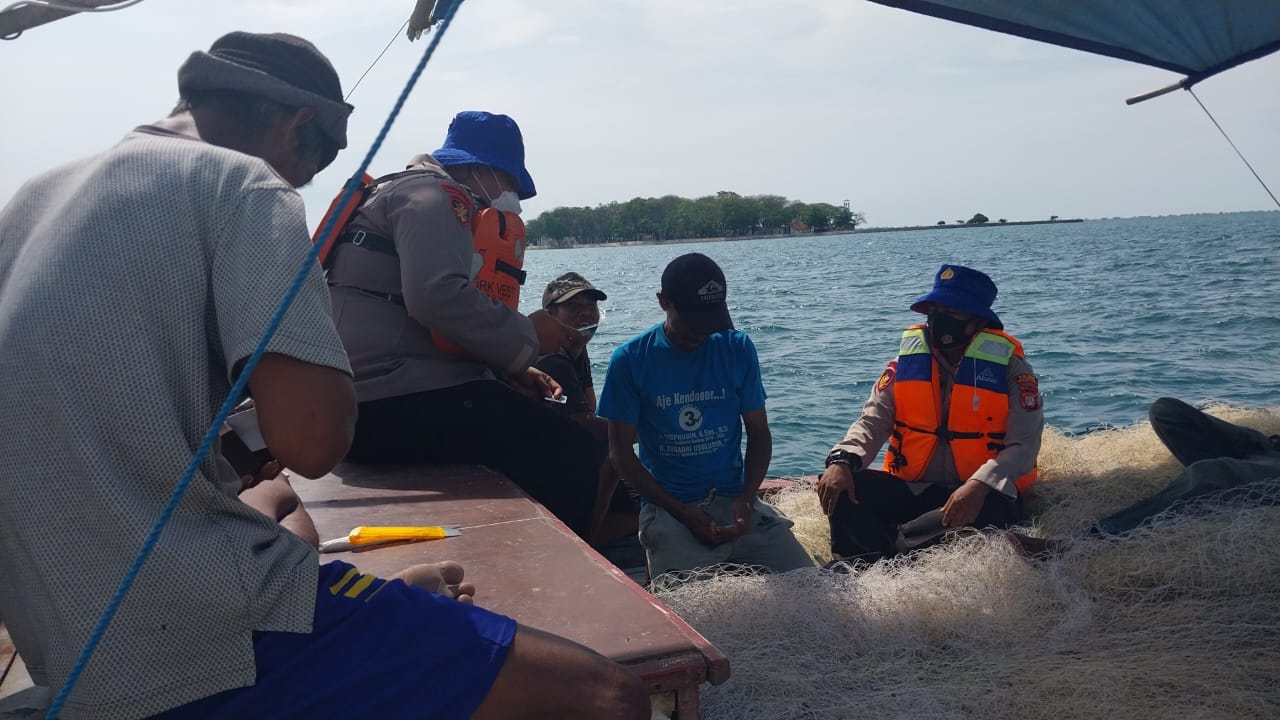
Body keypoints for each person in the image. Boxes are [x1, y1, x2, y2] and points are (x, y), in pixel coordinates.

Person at [0, 33, 647, 720]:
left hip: (71, 644)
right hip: (195, 639)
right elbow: (312, 441)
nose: (303, 186)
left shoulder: (31, 201)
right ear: (298, 126)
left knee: (282, 509)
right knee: (608, 696)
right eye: (316, 165)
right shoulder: (243, 184)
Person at [328, 111, 603, 539]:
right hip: (391, 405)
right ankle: (558, 564)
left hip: (361, 401)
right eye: (511, 183)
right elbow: (436, 295)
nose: (511, 196)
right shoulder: (438, 196)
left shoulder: (394, 191)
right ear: (481, 170)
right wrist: (530, 335)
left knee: (531, 425)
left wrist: (515, 368)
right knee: (580, 451)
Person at [598, 253, 814, 577]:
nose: (700, 333)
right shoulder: (630, 360)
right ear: (662, 302)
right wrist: (681, 512)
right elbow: (620, 454)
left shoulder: (737, 347)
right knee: (687, 609)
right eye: (691, 320)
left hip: (735, 501)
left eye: (710, 321)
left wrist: (746, 497)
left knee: (808, 582)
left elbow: (758, 432)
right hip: (670, 508)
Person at [816, 264, 1044, 563]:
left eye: (953, 312)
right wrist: (842, 459)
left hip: (980, 493)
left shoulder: (1012, 370)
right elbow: (872, 421)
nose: (939, 319)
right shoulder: (905, 365)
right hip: (915, 489)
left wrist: (978, 485)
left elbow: (1024, 446)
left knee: (990, 512)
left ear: (977, 321)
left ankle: (887, 548)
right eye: (934, 310)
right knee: (843, 485)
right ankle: (862, 561)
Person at [1008, 397, 1280, 556]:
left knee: (1210, 473)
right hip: (1269, 447)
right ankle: (1216, 484)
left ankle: (1082, 543)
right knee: (1166, 411)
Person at [534, 273, 641, 549]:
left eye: (590, 306)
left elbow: (591, 407)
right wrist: (652, 429)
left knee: (643, 502)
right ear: (549, 314)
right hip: (548, 469)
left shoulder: (577, 350)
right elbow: (588, 425)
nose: (585, 313)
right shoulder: (553, 360)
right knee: (613, 450)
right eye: (573, 307)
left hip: (568, 458)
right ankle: (583, 541)